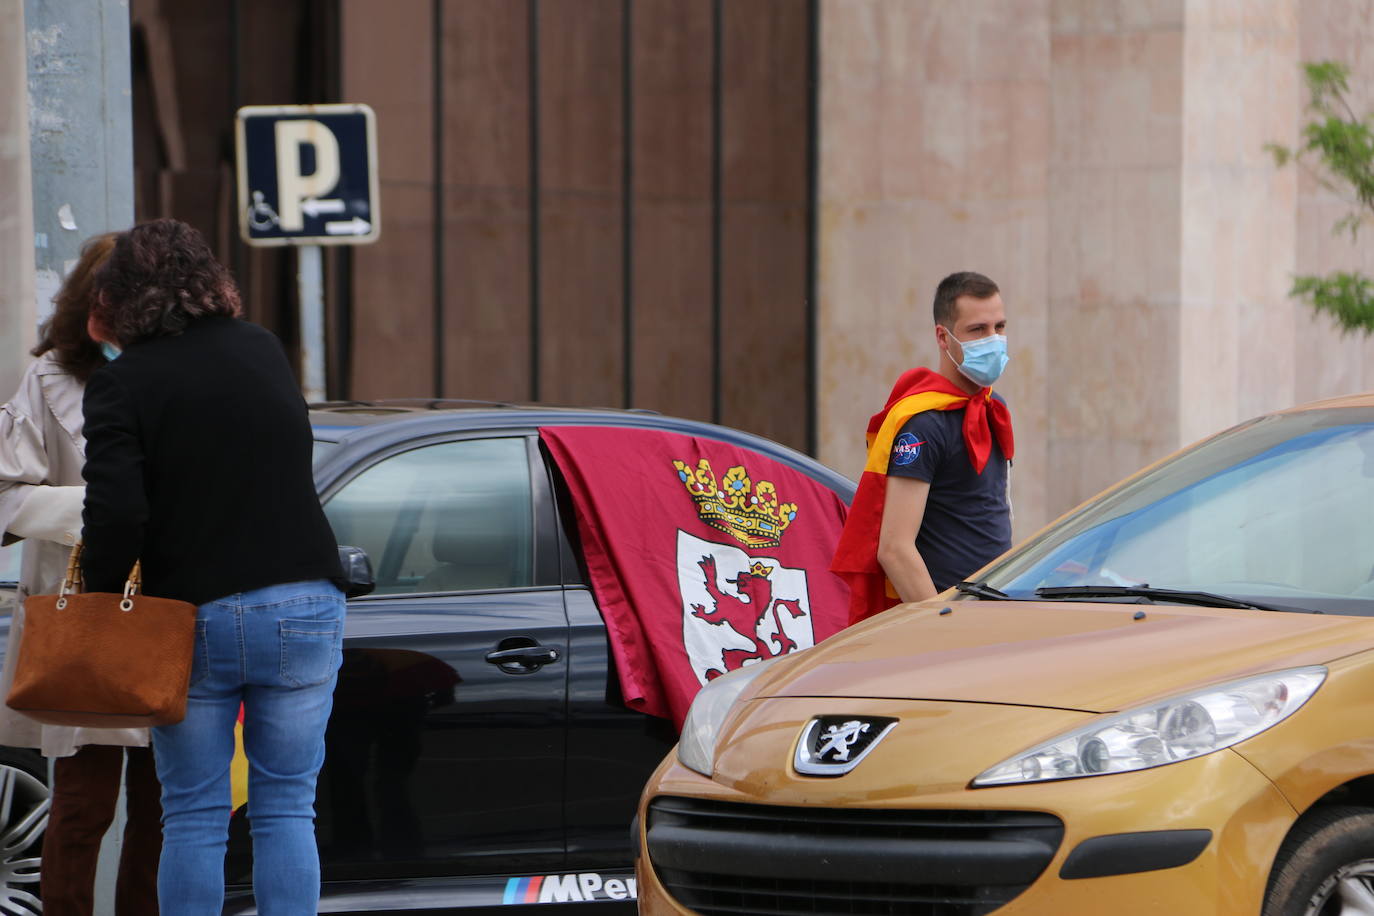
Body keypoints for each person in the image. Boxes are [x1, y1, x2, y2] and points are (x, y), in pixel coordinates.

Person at [78, 218, 345, 914]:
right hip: (303, 599)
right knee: (287, 807)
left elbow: (116, 512)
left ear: (120, 297)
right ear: (209, 280)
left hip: (192, 617)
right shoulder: (261, 348)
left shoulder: (124, 384)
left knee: (194, 814)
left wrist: (101, 603)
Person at [0, 232, 162, 915]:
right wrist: (90, 510)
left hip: (171, 615)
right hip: (83, 617)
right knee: (80, 809)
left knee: (168, 815)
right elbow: (6, 493)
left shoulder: (181, 371)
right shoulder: (48, 379)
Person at [831, 270, 1015, 625]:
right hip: (951, 623)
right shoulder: (923, 424)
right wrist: (941, 627)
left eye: (1000, 327)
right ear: (943, 338)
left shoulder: (994, 408)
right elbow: (895, 549)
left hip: (995, 612)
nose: (993, 340)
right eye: (978, 330)